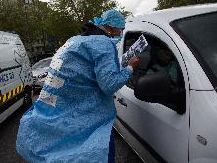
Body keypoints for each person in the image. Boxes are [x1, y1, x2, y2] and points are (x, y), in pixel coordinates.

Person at [16, 9, 140, 163]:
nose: (121, 31)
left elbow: (81, 71)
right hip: (88, 114)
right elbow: (109, 85)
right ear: (112, 26)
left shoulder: (74, 40)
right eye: (121, 28)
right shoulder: (104, 44)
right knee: (95, 151)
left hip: (59, 108)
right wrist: (130, 68)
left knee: (63, 149)